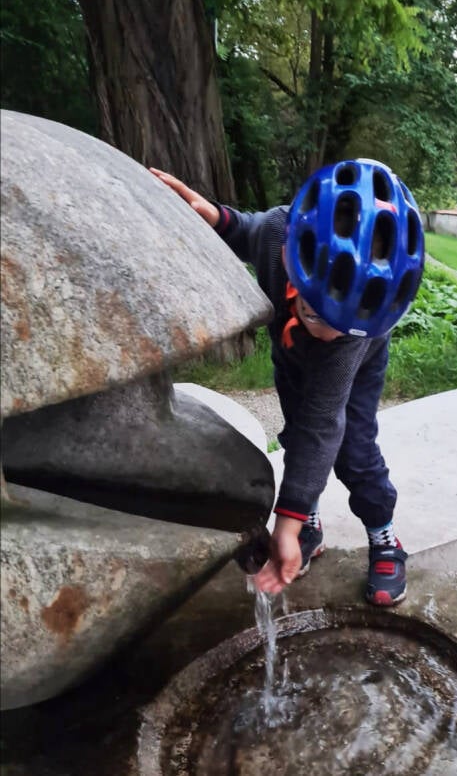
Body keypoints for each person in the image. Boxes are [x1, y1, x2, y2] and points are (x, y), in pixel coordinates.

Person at [150, 160, 425, 606]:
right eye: (318, 313)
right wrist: (215, 217)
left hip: (355, 367)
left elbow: (324, 424)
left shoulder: (345, 340)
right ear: (291, 260)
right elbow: (247, 229)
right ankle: (312, 524)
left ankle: (385, 539)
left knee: (353, 450)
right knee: (295, 434)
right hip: (291, 357)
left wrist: (286, 523)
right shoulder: (281, 233)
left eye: (347, 323)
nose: (330, 332)